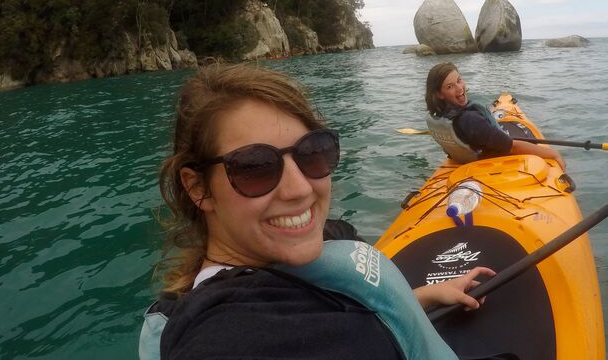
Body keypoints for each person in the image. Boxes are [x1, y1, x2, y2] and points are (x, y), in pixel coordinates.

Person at [140, 64, 495, 360]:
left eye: (312, 152)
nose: (300, 189)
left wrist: (423, 296)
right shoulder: (231, 332)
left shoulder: (279, 264)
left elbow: (344, 308)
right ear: (198, 188)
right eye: (255, 167)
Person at [425, 62, 566, 168]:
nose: (459, 88)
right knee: (529, 139)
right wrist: (554, 154)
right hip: (491, 162)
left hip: (468, 159)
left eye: (459, 80)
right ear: (439, 94)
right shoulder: (471, 120)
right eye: (450, 86)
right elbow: (512, 147)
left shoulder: (440, 115)